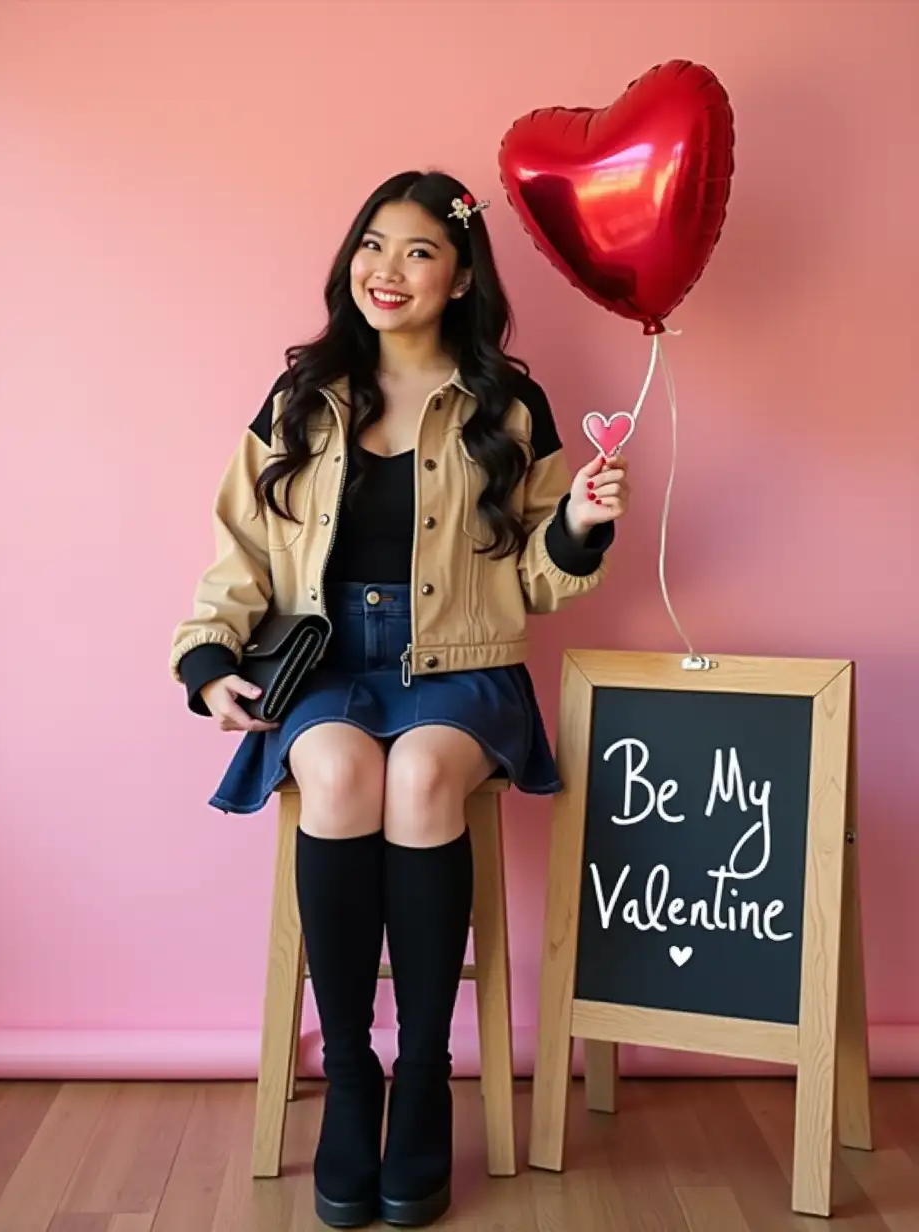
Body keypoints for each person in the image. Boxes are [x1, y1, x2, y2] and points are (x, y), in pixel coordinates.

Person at [168, 169, 630, 1229]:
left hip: (462, 661)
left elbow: (536, 575)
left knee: (419, 772)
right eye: (374, 244)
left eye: (419, 250)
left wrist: (584, 523)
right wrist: (206, 660)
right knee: (334, 766)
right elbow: (239, 549)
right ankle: (354, 1080)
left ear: (461, 274)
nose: (388, 269)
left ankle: (424, 1071)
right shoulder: (299, 397)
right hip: (327, 663)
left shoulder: (507, 405)